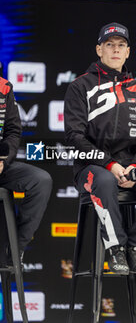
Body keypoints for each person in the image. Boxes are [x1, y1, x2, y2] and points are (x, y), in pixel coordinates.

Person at [64, 22, 136, 275]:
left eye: (121, 45)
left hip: (128, 167)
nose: (115, 50)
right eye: (109, 45)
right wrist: (109, 164)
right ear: (99, 50)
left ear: (127, 52)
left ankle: (134, 247)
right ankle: (115, 248)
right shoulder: (80, 86)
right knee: (103, 179)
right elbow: (74, 136)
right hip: (91, 168)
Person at [0, 76, 52, 266]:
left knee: (40, 180)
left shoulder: (3, 87)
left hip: (1, 166)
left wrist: (3, 161)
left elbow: (13, 131)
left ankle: (14, 249)